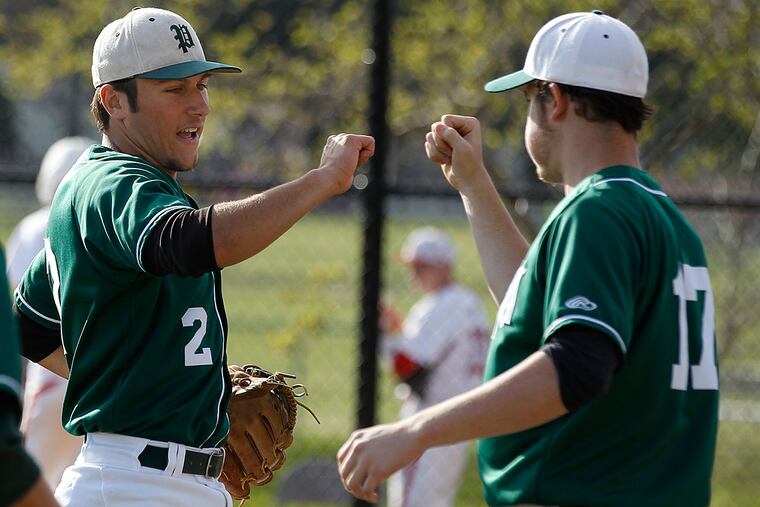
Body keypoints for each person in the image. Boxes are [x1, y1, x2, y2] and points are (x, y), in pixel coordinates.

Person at [338, 10, 718, 507]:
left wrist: (417, 431)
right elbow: (534, 308)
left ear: (555, 100)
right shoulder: (663, 218)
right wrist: (473, 184)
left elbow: (576, 365)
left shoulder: (597, 211)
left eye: (527, 99)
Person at [13, 7, 373, 507]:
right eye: (174, 89)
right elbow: (187, 242)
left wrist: (166, 389)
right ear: (113, 100)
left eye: (201, 85)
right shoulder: (112, 183)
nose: (199, 106)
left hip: (163, 482)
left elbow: (30, 327)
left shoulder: (121, 187)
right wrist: (321, 181)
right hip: (133, 486)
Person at [7, 136, 95, 491]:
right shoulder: (96, 220)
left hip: (47, 369)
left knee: (33, 482)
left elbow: (14, 309)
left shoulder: (32, 226)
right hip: (99, 369)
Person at [379, 226, 489, 507]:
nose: (413, 274)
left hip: (428, 418)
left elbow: (409, 368)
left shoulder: (440, 305)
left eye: (421, 267)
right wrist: (399, 329)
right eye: (412, 267)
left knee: (410, 502)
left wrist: (388, 335)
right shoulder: (470, 301)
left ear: (443, 267)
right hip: (460, 416)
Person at [0, 246, 60, 507]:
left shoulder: (30, 228)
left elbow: (18, 299)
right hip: (94, 363)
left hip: (52, 366)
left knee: (42, 464)